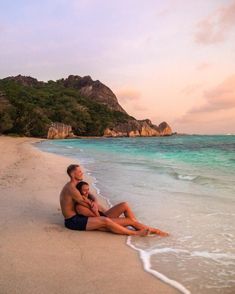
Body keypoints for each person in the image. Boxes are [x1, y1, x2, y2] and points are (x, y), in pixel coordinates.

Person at [60, 164, 168, 236]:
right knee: (106, 220)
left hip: (88, 214)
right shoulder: (71, 188)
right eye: (79, 172)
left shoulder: (78, 185)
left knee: (124, 205)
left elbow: (91, 196)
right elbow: (85, 202)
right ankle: (137, 233)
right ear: (73, 174)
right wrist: (93, 206)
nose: (82, 173)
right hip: (74, 221)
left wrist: (95, 202)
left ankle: (139, 227)